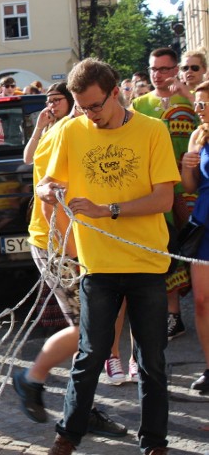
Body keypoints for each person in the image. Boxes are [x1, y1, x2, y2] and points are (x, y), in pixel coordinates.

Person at [36, 58, 178, 455]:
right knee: (90, 356)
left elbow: (163, 197)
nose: (89, 114)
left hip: (146, 263)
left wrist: (107, 208)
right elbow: (48, 181)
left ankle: (154, 443)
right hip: (97, 265)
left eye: (95, 105)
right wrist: (47, 192)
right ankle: (66, 436)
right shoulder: (71, 131)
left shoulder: (152, 130)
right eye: (82, 107)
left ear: (115, 92)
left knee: (152, 360)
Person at [12, 84, 127, 437]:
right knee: (91, 330)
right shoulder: (68, 133)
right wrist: (74, 255)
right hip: (60, 246)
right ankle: (32, 378)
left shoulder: (68, 130)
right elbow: (49, 193)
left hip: (67, 245)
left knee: (93, 331)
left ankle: (80, 407)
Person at [132, 47, 198, 341]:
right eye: (153, 69)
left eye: (164, 69)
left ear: (176, 69)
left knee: (199, 253)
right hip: (160, 190)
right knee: (166, 249)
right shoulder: (139, 105)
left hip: (196, 188)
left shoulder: (194, 100)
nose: (157, 75)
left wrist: (189, 94)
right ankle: (174, 315)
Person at [178, 79, 209, 393]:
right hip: (204, 225)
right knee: (201, 302)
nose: (197, 108)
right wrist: (188, 164)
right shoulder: (198, 134)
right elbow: (189, 186)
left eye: (203, 103)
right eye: (197, 103)